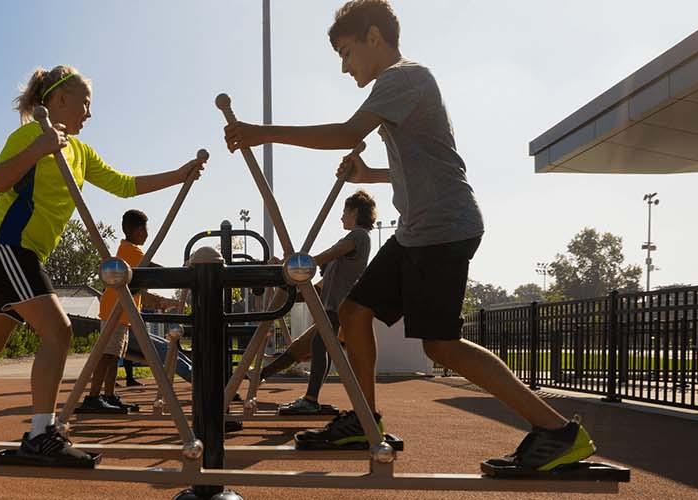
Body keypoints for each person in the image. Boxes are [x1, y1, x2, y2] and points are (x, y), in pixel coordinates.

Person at [222, 0, 595, 472]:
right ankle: (364, 421)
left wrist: (262, 132)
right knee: (354, 314)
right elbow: (420, 164)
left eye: (346, 52)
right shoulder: (401, 87)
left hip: (443, 228)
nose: (343, 66)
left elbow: (345, 131)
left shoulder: (404, 77)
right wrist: (370, 172)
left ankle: (558, 431)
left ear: (373, 37)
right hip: (418, 230)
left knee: (440, 346)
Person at [0, 65, 205, 467]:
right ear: (58, 99)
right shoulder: (32, 134)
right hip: (7, 245)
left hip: (24, 252)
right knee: (59, 331)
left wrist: (179, 174)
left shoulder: (80, 151)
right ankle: (42, 433)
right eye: (85, 103)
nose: (89, 113)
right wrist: (39, 148)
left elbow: (123, 185)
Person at [257, 190, 375, 415]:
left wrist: (298, 266)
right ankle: (260, 375)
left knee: (321, 347)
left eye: (344, 212)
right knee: (302, 347)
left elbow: (332, 252)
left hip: (340, 310)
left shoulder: (359, 236)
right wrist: (287, 272)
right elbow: (315, 288)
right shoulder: (350, 246)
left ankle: (311, 399)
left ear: (355, 213)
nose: (341, 217)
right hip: (331, 309)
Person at [76, 209, 154, 413]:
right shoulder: (132, 251)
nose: (147, 234)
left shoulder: (126, 249)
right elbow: (153, 269)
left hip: (121, 313)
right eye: (146, 229)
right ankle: (93, 396)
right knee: (107, 355)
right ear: (138, 231)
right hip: (115, 312)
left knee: (113, 356)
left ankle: (109, 395)